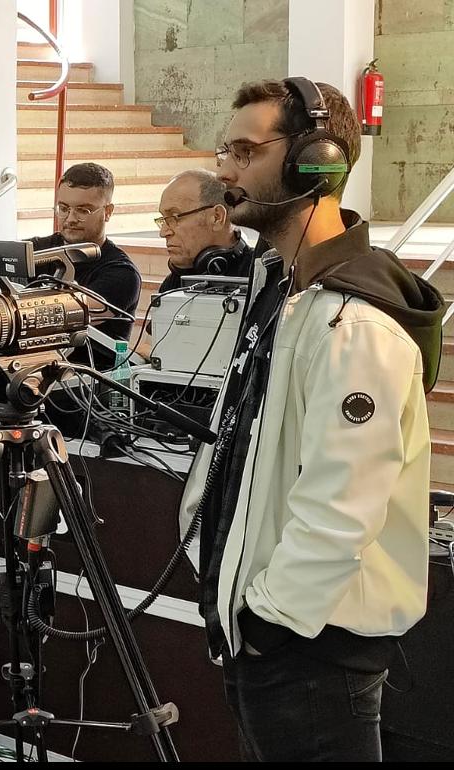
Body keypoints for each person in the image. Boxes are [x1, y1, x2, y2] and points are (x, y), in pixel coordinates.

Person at [178, 77, 443, 762]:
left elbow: (342, 505)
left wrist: (270, 616)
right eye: (223, 150)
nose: (224, 169)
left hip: (309, 651)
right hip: (273, 639)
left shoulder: (355, 325)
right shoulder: (290, 297)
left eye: (244, 150)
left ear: (316, 163)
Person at [27, 162, 141, 362]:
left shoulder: (121, 273)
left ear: (108, 212)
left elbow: (64, 317)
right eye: (63, 208)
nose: (70, 218)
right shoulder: (35, 248)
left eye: (83, 210)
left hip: (88, 385)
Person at [155, 168, 256, 293]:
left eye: (175, 217)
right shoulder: (173, 284)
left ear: (217, 218)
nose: (164, 232)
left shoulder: (264, 278)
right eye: (164, 220)